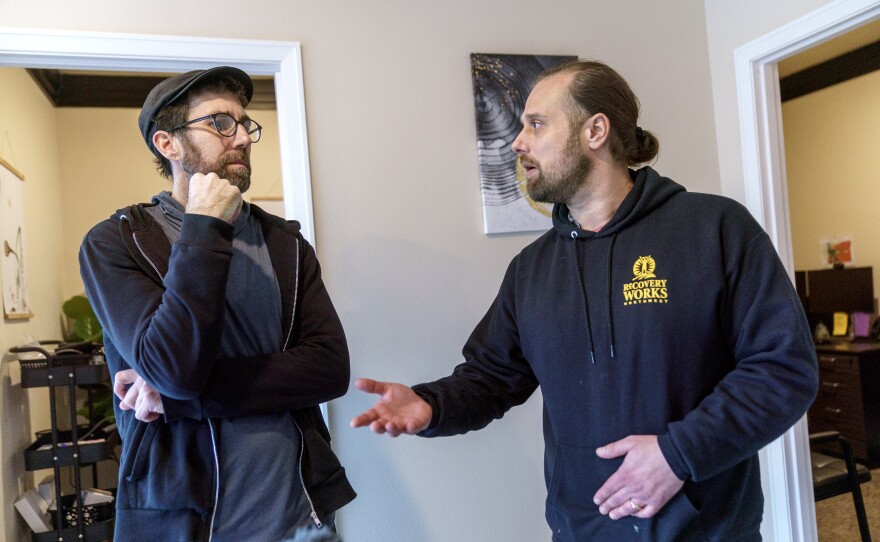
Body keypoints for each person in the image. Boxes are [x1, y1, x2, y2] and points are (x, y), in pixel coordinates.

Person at [351, 60, 818, 541]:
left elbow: (784, 369)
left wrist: (678, 454)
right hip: (581, 530)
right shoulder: (531, 270)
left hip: (708, 529)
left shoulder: (715, 229)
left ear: (595, 130)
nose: (518, 142)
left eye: (536, 124)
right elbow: (492, 377)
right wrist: (429, 405)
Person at [80, 66, 355, 541]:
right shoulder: (115, 244)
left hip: (300, 520)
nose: (243, 138)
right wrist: (205, 225)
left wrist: (175, 398)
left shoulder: (286, 245)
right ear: (167, 144)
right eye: (220, 123)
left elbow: (330, 369)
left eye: (245, 124)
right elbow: (174, 365)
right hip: (183, 525)